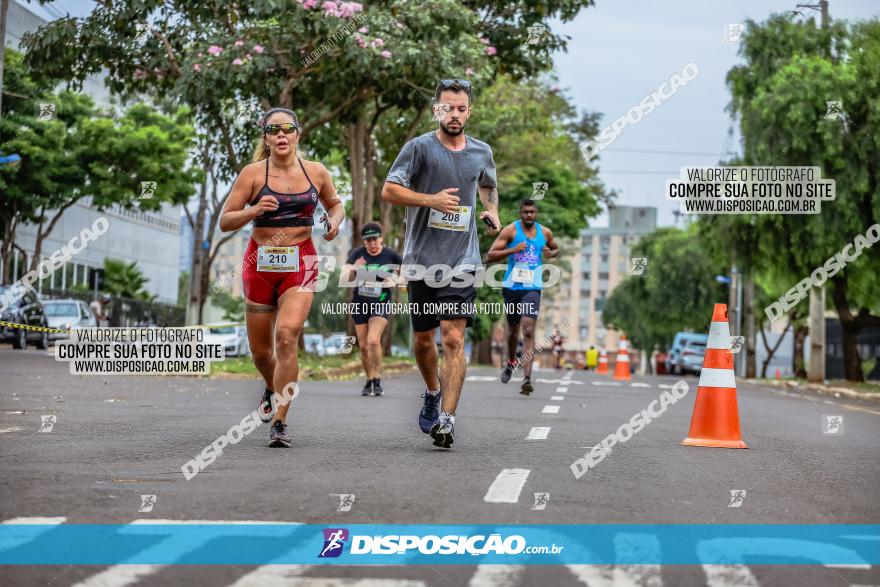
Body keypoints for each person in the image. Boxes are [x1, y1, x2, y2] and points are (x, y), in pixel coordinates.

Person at [381, 79, 500, 449]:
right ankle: (432, 391)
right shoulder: (418, 148)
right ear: (437, 110)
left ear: (470, 111)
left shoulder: (481, 152)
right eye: (448, 108)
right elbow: (390, 189)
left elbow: (488, 186)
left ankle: (447, 419)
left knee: (452, 337)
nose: (454, 114)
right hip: (421, 260)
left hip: (462, 260)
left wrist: (491, 210)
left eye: (461, 108)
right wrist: (429, 200)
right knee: (422, 339)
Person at [220, 107, 344, 448]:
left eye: (287, 129)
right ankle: (272, 384)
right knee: (261, 354)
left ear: (297, 134)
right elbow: (226, 220)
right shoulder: (252, 174)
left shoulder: (316, 172)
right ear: (266, 137)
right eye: (273, 129)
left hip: (300, 263)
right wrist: (255, 210)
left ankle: (280, 421)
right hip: (259, 265)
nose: (281, 135)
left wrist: (334, 222)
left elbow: (335, 205)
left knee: (287, 336)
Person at [488, 199, 558, 395]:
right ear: (520, 212)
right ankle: (511, 363)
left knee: (528, 330)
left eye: (532, 212)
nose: (529, 215)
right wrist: (512, 250)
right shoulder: (510, 231)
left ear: (536, 213)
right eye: (525, 212)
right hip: (511, 287)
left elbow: (555, 248)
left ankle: (527, 378)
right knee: (513, 329)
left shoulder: (545, 233)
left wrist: (551, 254)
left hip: (532, 288)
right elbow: (491, 255)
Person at [343, 222, 402, 396]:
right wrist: (355, 268)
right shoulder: (357, 254)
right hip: (360, 303)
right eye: (368, 240)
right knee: (363, 347)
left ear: (381, 238)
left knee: (373, 341)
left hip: (381, 302)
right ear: (364, 242)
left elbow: (407, 272)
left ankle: (377, 378)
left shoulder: (390, 255)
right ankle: (369, 380)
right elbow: (346, 278)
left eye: (375, 239)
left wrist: (394, 280)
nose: (372, 244)